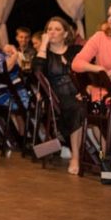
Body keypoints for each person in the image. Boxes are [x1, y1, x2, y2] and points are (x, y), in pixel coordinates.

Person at [72, 1, 111, 164]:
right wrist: (98, 68)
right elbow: (76, 63)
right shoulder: (100, 37)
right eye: (109, 15)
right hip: (107, 95)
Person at [34, 17, 83, 174]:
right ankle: (75, 157)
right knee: (77, 109)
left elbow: (87, 72)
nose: (52, 32)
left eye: (57, 29)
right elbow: (37, 73)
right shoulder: (44, 55)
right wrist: (43, 45)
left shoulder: (76, 50)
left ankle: (106, 157)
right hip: (57, 99)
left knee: (93, 108)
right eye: (49, 29)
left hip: (80, 94)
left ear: (66, 33)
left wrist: (85, 89)